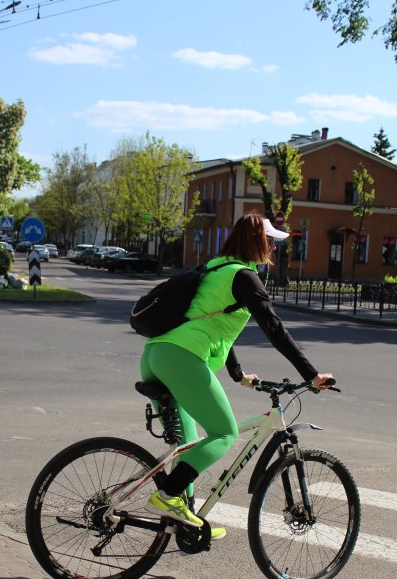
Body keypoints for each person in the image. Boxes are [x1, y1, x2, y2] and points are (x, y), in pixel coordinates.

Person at [140, 210, 334, 540]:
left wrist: (238, 374)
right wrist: (312, 375)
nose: (273, 248)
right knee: (225, 433)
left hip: (156, 355)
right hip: (183, 358)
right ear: (257, 241)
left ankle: (183, 520)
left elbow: (213, 325)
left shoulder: (216, 268)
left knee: (188, 448)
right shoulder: (244, 277)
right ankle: (166, 497)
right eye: (270, 241)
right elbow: (274, 328)